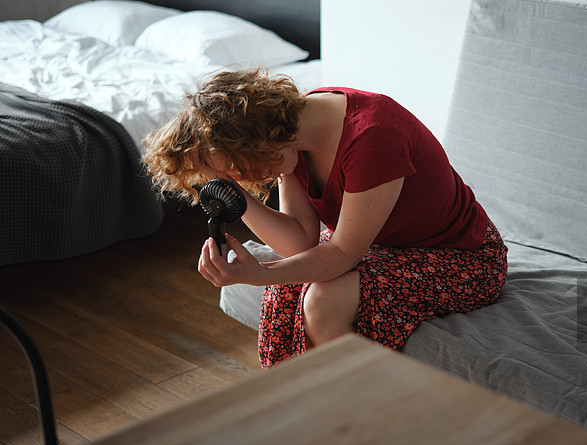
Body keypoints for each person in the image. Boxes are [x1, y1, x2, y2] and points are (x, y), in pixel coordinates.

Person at [142, 67, 507, 367]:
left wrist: (260, 274)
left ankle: (371, 421)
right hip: (384, 247)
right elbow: (299, 242)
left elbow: (341, 254)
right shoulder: (288, 136)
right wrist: (228, 190)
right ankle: (316, 414)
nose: (245, 178)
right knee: (287, 292)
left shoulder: (374, 138)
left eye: (238, 166)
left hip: (464, 257)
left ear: (258, 138)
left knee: (322, 300)